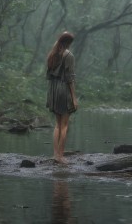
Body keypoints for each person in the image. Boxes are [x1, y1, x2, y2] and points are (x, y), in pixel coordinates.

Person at [46, 31, 78, 164]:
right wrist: (74, 98)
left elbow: (48, 75)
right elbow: (70, 79)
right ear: (69, 43)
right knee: (64, 125)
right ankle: (60, 156)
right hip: (63, 89)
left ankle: (55, 154)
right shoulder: (68, 55)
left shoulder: (53, 53)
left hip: (53, 89)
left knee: (58, 125)